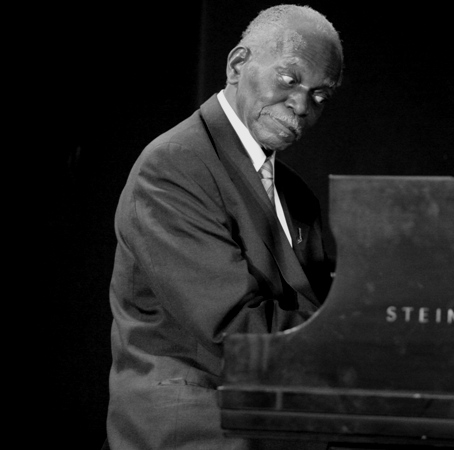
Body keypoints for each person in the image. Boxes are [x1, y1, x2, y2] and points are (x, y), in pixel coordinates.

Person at [106, 5, 343, 449]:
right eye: (290, 80)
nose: (302, 105)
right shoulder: (174, 165)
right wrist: (358, 348)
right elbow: (234, 329)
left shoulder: (294, 192)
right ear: (237, 65)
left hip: (268, 416)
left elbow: (319, 301)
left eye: (320, 96)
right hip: (196, 429)